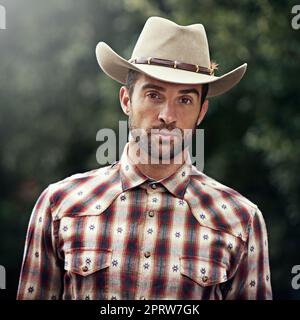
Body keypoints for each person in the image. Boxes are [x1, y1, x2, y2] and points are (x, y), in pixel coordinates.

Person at [17, 16, 272, 300]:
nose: (168, 115)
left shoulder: (239, 220)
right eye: (153, 95)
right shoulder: (60, 204)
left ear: (201, 112)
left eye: (185, 100)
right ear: (126, 100)